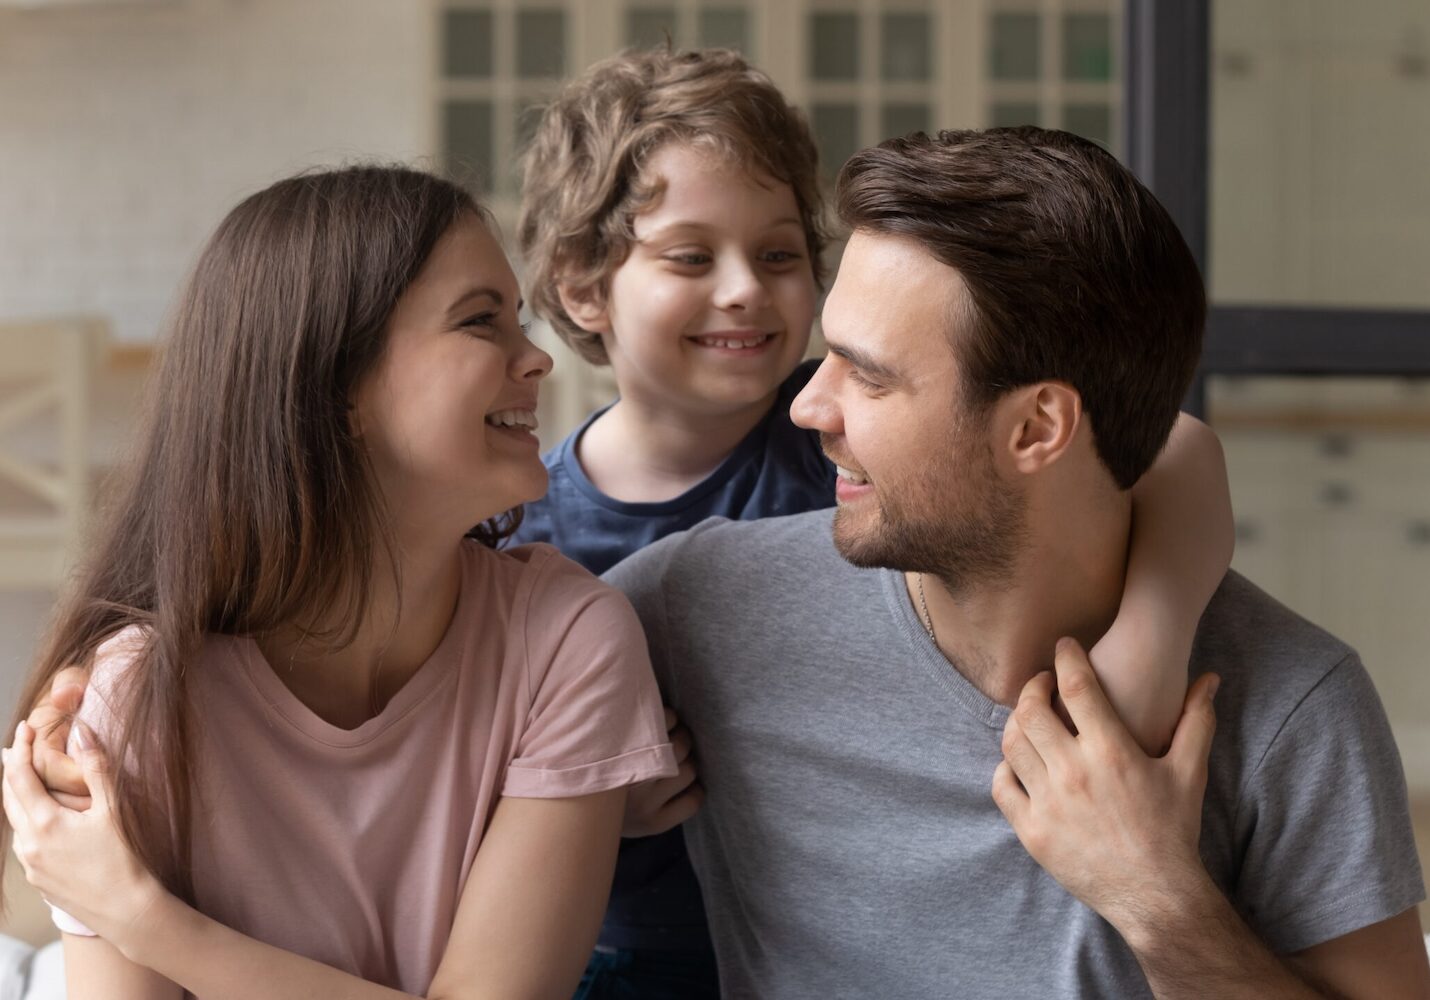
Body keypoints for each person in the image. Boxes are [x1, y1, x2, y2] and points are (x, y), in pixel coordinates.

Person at [597, 128, 1430, 998]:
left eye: (868, 378)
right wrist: (579, 805)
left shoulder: (1292, 707)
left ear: (1037, 428)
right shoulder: (702, 606)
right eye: (827, 355)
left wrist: (1155, 896)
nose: (809, 406)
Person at [512, 48, 1237, 999]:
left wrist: (1146, 649)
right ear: (579, 286)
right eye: (691, 256)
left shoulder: (875, 464)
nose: (743, 288)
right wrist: (593, 798)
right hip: (614, 958)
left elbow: (1168, 447)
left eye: (779, 254)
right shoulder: (523, 527)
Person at [0, 166, 676, 997]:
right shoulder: (140, 697)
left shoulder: (570, 639)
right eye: (480, 323)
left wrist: (147, 921)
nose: (535, 358)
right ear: (335, 389)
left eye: (520, 322)